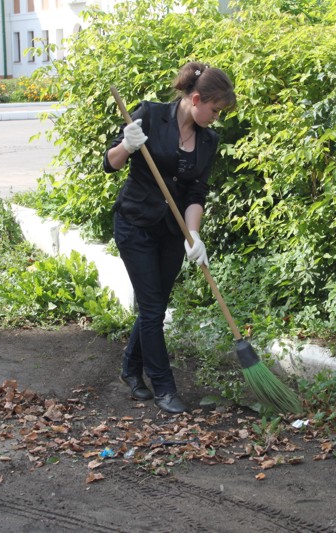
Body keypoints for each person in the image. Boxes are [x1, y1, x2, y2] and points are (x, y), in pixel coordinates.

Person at [103, 61, 236, 413]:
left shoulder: (208, 140)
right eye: (215, 109)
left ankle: (131, 370)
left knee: (154, 306)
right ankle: (164, 387)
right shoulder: (149, 114)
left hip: (171, 232)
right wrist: (128, 145)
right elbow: (111, 162)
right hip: (135, 224)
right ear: (196, 98)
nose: (215, 118)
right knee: (151, 310)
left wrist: (193, 235)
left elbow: (196, 193)